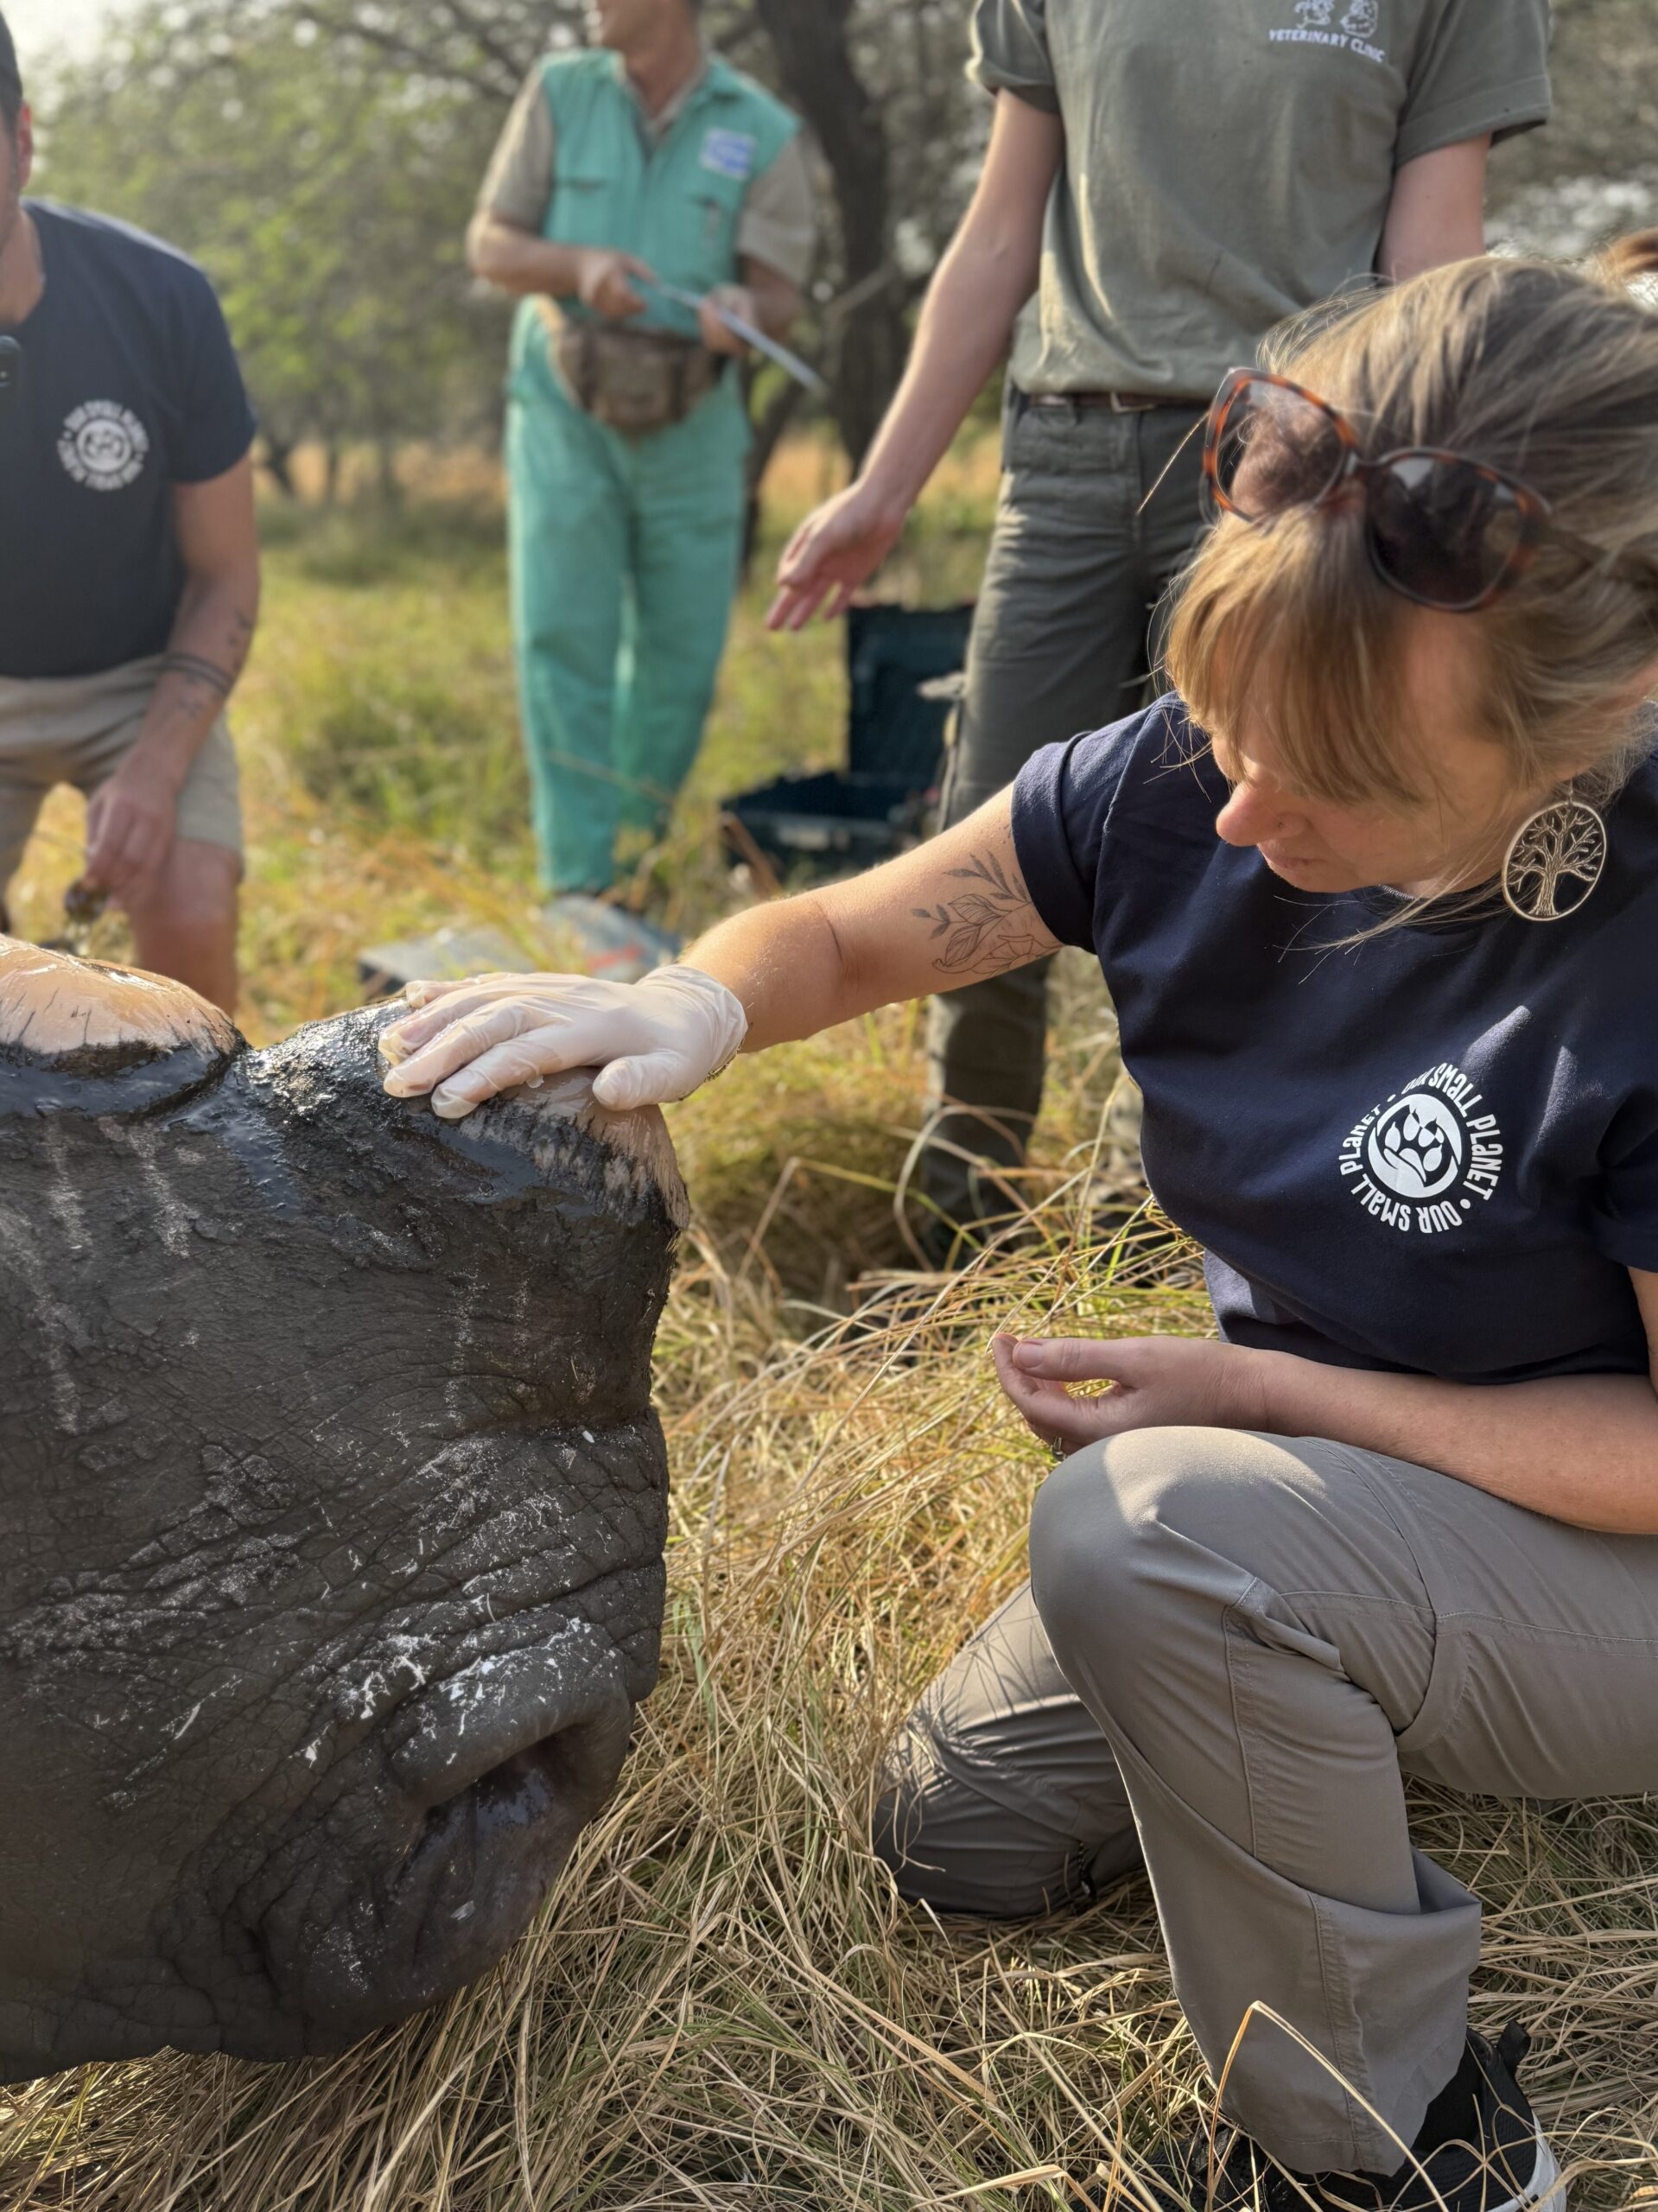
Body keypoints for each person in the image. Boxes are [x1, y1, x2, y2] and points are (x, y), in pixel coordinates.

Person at [377, 233, 1658, 2208]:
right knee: (950, 1827)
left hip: (1606, 1549)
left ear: (1595, 712)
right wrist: (688, 1005)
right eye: (1226, 723)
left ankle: (1400, 2146)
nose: (1239, 818)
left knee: (1150, 1539)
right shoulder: (1191, 778)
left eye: (1338, 778)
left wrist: (1262, 1397)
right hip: (1334, 1510)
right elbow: (848, 932)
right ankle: (1328, 1712)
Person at [769, 0, 1552, 1261]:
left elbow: (1430, 272)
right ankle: (954, 1211)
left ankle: (1180, 1225)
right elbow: (997, 233)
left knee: (1256, 834)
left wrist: (1425, 524)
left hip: (1296, 462)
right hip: (1067, 451)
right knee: (991, 811)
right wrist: (882, 488)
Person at [467, 0, 816, 926]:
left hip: (693, 420)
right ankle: (579, 885)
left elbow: (780, 298)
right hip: (562, 409)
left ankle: (631, 857)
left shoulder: (762, 130)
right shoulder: (558, 92)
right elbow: (490, 245)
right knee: (562, 638)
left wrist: (746, 308)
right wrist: (577, 267)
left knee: (681, 661)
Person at [0, 10, 258, 1014]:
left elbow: (227, 576)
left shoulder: (163, 299)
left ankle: (205, 1118)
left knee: (188, 913)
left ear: (22, 140)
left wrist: (154, 769)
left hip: (137, 679)